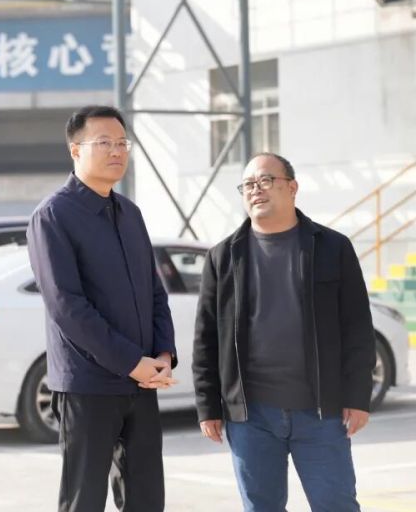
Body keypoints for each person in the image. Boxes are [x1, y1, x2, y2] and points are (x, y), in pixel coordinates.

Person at [193, 152, 375, 512]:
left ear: (292, 187)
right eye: (248, 184)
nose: (255, 190)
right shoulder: (223, 256)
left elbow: (357, 326)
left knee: (336, 505)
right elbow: (206, 338)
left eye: (265, 180)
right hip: (251, 416)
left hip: (320, 412)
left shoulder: (332, 247)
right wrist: (207, 406)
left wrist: (357, 396)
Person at [27, 105, 177, 512]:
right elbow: (66, 306)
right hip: (88, 385)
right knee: (84, 500)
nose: (117, 151)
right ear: (75, 150)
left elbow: (155, 292)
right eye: (104, 142)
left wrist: (163, 355)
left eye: (122, 143)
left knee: (147, 499)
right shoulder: (53, 216)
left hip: (141, 383)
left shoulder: (130, 214)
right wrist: (131, 362)